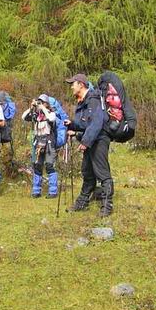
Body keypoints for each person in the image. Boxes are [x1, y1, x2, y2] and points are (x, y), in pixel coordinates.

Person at [63, 73, 114, 217]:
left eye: (73, 84)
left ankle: (107, 206)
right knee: (88, 172)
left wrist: (85, 142)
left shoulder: (93, 99)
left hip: (99, 139)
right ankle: (82, 202)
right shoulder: (83, 102)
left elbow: (97, 123)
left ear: (81, 84)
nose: (71, 87)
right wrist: (72, 125)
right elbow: (85, 123)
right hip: (91, 140)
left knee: (102, 173)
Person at [21, 94, 59, 199]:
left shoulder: (51, 113)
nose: (40, 104)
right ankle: (36, 191)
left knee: (49, 165)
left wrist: (43, 109)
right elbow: (23, 117)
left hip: (49, 143)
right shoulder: (35, 115)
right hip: (37, 143)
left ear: (47, 104)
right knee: (37, 166)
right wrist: (31, 108)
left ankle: (53, 191)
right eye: (39, 102)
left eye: (42, 102)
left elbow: (51, 119)